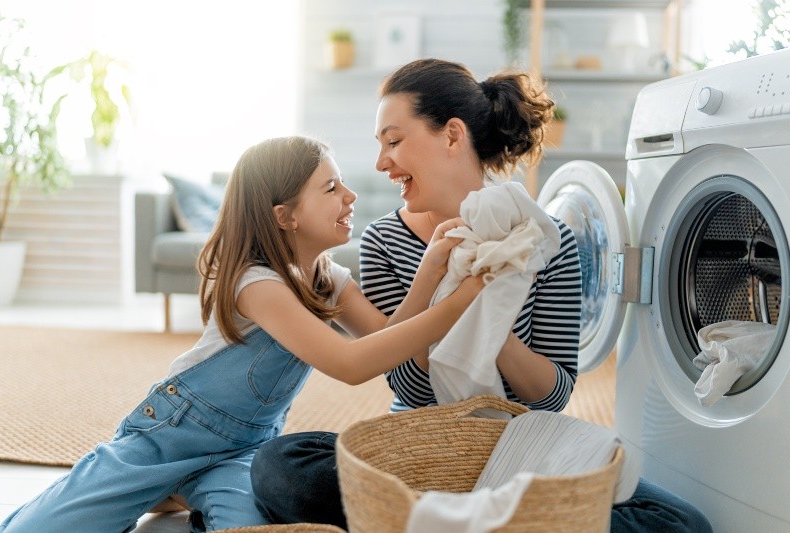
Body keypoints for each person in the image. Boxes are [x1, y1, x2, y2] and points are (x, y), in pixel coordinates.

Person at [250, 60, 713, 532]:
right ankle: (493, 522)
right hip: (420, 451)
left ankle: (437, 521)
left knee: (679, 522)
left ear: (452, 136)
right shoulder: (385, 240)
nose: (380, 163)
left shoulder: (544, 238)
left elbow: (551, 396)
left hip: (516, 444)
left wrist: (489, 319)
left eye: (393, 141)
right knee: (279, 464)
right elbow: (411, 388)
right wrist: (441, 288)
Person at [0, 136, 483, 533]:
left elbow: (388, 339)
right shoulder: (257, 284)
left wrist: (430, 272)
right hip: (172, 434)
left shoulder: (327, 276)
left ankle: (179, 490)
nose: (350, 197)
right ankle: (158, 481)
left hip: (245, 448)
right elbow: (351, 365)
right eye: (331, 187)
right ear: (284, 215)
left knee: (246, 529)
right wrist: (460, 302)